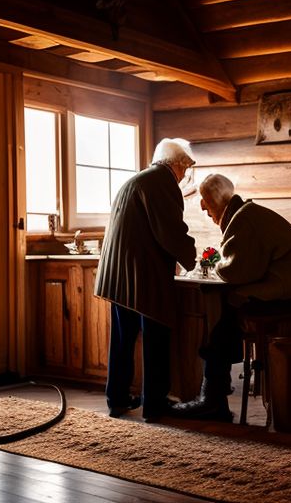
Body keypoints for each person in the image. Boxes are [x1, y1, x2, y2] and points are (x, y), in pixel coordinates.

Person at [170, 173, 291, 421]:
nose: (205, 210)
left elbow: (235, 272)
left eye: (207, 205)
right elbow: (246, 263)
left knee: (226, 312)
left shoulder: (243, 220)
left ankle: (213, 397)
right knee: (228, 310)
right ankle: (217, 390)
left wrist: (214, 264)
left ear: (216, 201)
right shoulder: (246, 214)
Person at [94, 138, 197, 421]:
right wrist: (192, 259)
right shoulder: (162, 181)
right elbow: (171, 231)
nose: (183, 176)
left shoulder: (138, 180)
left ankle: (117, 399)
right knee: (156, 338)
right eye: (184, 170)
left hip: (118, 274)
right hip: (141, 275)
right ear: (174, 165)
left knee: (122, 340)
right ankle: (155, 405)